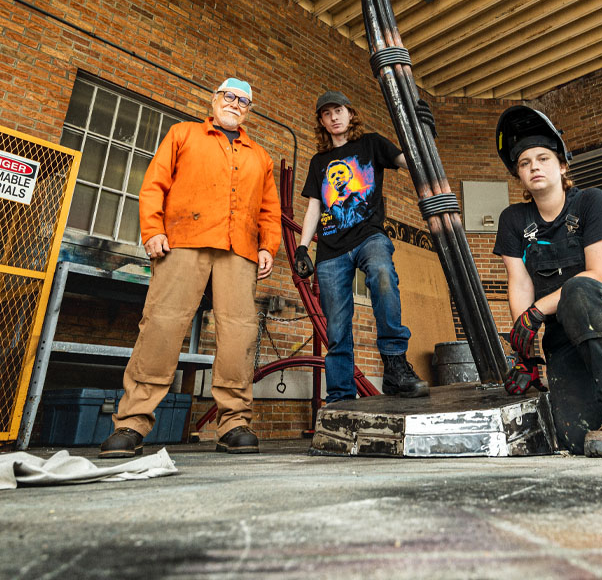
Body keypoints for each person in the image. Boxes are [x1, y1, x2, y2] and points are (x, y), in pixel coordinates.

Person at [99, 78, 281, 458]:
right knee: (162, 325)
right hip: (183, 241)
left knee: (239, 334)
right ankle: (131, 423)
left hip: (239, 250)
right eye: (229, 96)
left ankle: (233, 424)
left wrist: (268, 245)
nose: (235, 104)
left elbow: (269, 209)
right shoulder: (182, 134)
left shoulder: (260, 157)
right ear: (214, 100)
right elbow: (154, 184)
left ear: (248, 111)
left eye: (243, 101)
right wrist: (152, 229)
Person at [492, 105, 602, 458]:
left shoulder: (592, 203)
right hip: (566, 334)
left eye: (543, 158)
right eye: (524, 163)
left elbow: (600, 275)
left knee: (579, 289)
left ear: (562, 166)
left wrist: (538, 311)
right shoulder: (513, 220)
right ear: (519, 175)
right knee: (576, 438)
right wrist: (525, 354)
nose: (534, 167)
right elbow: (520, 283)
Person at [293, 90, 429, 404]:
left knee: (382, 274)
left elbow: (410, 163)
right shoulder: (319, 162)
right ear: (322, 122)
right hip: (330, 250)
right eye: (327, 114)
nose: (334, 117)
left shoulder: (371, 144)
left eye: (338, 110)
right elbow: (314, 207)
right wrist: (302, 247)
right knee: (337, 326)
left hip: (369, 236)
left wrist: (422, 135)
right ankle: (340, 395)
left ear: (350, 113)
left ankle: (394, 364)